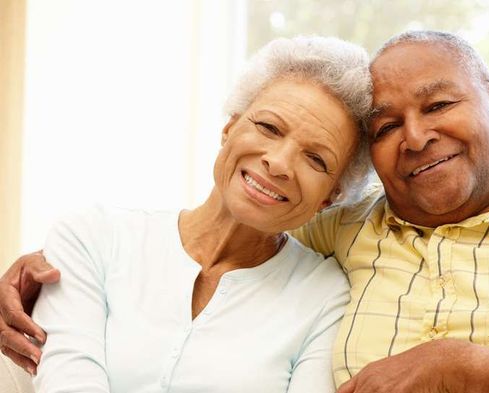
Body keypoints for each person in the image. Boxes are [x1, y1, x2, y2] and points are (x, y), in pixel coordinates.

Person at [1, 30, 489, 393]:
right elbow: (241, 217)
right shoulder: (345, 231)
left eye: (439, 104)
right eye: (387, 123)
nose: (416, 136)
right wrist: (49, 267)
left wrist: (468, 366)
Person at [0, 35, 373, 393]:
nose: (278, 164)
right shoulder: (91, 237)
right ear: (229, 128)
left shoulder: (325, 296)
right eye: (269, 127)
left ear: (331, 196)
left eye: (316, 159)